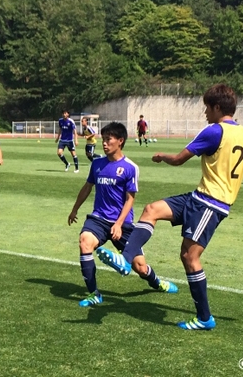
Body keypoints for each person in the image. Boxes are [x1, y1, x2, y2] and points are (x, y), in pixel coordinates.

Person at [97, 84, 243, 331]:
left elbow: (179, 160)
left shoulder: (213, 132)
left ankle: (204, 318)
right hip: (198, 197)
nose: (205, 113)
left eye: (207, 108)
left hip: (212, 203)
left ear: (217, 107)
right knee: (152, 210)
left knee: (190, 256)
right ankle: (125, 260)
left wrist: (162, 156)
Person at [68, 122, 178, 307]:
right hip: (99, 219)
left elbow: (130, 199)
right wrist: (75, 209)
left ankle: (157, 283)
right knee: (85, 242)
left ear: (120, 141)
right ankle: (94, 294)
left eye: (108, 139)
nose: (104, 143)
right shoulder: (97, 164)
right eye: (103, 139)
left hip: (123, 224)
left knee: (140, 268)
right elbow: (87, 187)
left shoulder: (130, 167)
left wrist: (118, 224)